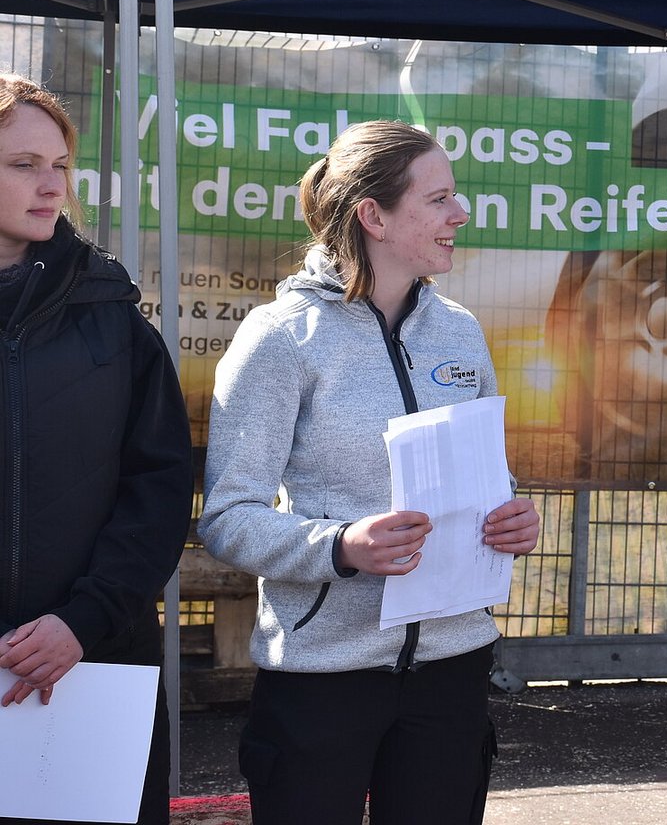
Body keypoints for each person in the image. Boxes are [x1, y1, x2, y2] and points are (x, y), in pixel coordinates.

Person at [199, 120, 540, 825]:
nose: (460, 214)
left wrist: (511, 516)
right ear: (373, 217)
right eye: (439, 199)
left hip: (453, 667)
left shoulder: (460, 331)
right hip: (322, 676)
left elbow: (487, 478)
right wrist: (341, 546)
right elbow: (229, 518)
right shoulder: (280, 338)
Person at [0, 73, 192, 825]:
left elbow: (159, 486)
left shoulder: (111, 316)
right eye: (24, 165)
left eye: (60, 165)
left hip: (93, 667)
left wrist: (82, 621)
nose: (52, 186)